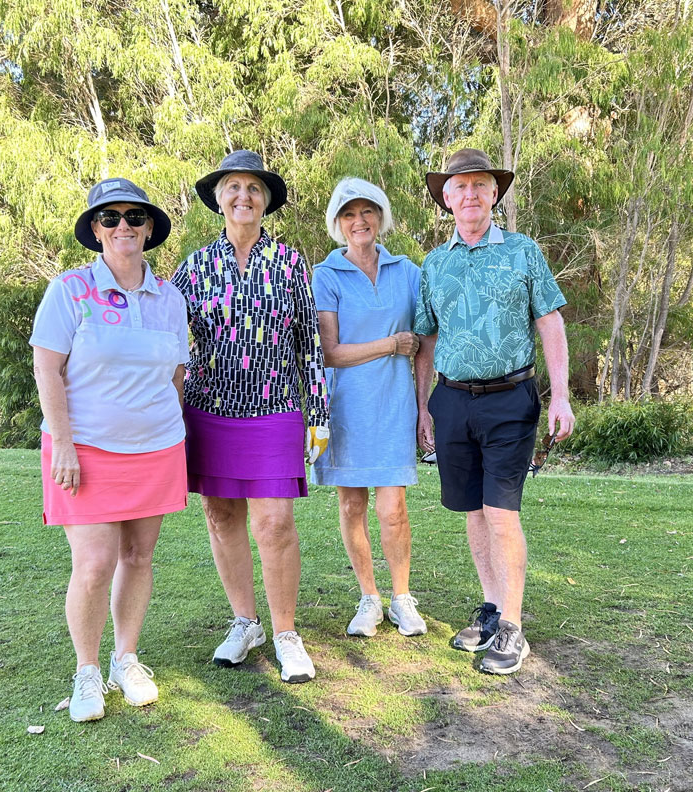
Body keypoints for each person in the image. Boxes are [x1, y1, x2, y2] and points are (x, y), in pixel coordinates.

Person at [30, 178, 189, 721]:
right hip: (86, 450)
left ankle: (126, 659)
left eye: (135, 217)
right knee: (95, 563)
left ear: (149, 228)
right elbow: (47, 369)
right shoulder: (69, 289)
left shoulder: (170, 299)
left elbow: (176, 376)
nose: (124, 226)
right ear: (96, 230)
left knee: (139, 557)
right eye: (110, 218)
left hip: (156, 448)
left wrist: (171, 433)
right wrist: (63, 444)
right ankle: (87, 671)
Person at [413, 149, 575, 674]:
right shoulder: (434, 264)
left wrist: (561, 395)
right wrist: (423, 407)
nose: (470, 194)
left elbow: (550, 322)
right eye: (460, 186)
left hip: (510, 399)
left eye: (480, 185)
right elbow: (426, 340)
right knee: (474, 511)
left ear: (494, 193)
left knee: (502, 512)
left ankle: (512, 626)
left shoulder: (523, 252)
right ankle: (491, 608)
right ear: (446, 198)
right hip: (452, 400)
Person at [171, 150, 329, 683]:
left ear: (265, 202)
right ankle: (246, 622)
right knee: (220, 516)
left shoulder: (289, 263)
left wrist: (319, 413)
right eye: (234, 187)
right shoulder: (193, 267)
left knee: (275, 522)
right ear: (219, 199)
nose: (244, 196)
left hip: (275, 407)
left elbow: (309, 343)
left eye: (254, 188)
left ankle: (285, 633)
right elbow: (166, 339)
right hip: (208, 409)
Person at [310, 178, 427, 638]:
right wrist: (391, 344)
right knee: (351, 504)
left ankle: (402, 598)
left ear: (380, 217)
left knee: (393, 508)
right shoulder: (326, 275)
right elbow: (330, 352)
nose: (359, 221)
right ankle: (369, 598)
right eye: (349, 214)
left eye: (367, 211)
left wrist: (425, 404)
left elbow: (426, 341)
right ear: (338, 223)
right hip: (344, 407)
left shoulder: (407, 272)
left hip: (395, 402)